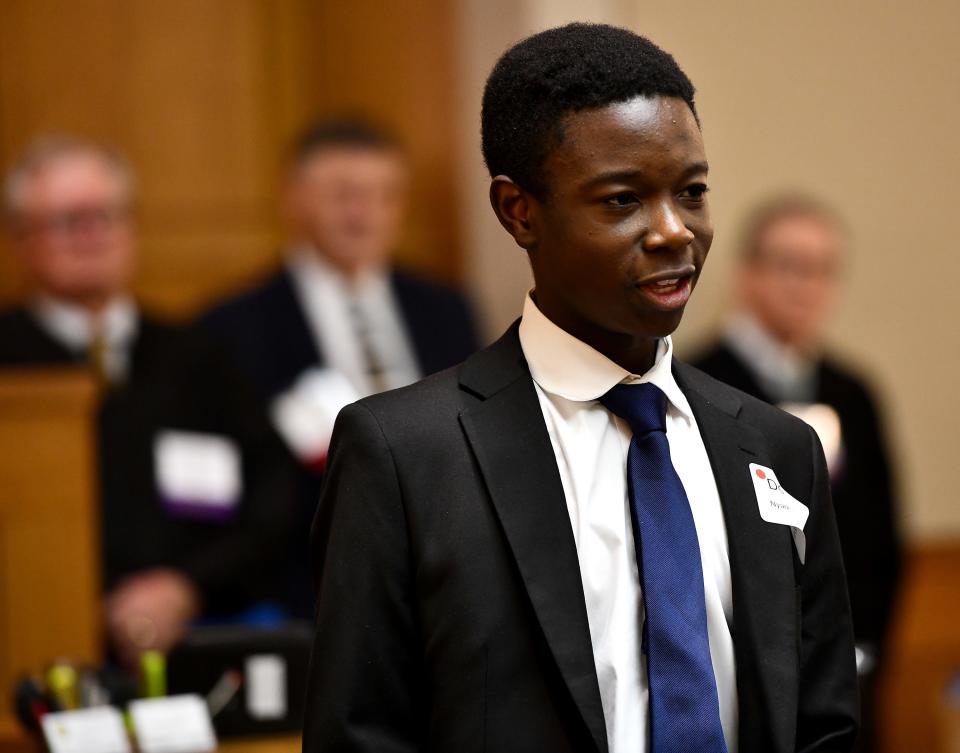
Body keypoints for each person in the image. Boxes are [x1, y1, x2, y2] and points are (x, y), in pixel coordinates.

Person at [303, 23, 858, 753]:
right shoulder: (407, 454)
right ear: (518, 211)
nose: (673, 231)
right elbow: (359, 735)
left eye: (691, 192)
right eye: (622, 199)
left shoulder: (778, 448)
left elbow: (824, 725)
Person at [0, 137, 298, 667]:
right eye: (69, 219)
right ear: (20, 239)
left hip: (200, 646)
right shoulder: (9, 365)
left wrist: (185, 586)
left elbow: (273, 495)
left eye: (106, 215)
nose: (92, 235)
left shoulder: (197, 355)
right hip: (31, 655)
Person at [200, 118, 479, 616]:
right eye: (344, 195)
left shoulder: (446, 310)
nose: (363, 214)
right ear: (293, 197)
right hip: (305, 591)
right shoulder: (231, 327)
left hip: (445, 582)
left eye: (384, 196)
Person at [691, 196, 900, 753]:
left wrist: (859, 648)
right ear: (748, 272)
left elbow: (880, 537)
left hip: (845, 670)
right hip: (733, 677)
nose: (807, 286)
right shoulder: (697, 385)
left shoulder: (853, 393)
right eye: (790, 266)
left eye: (823, 270)